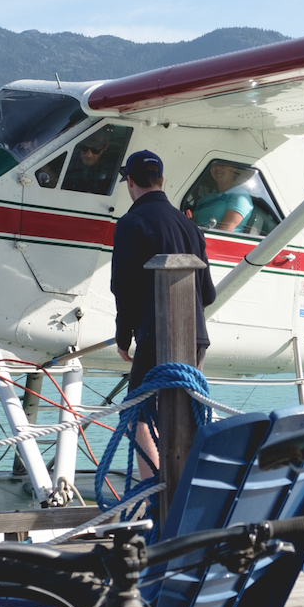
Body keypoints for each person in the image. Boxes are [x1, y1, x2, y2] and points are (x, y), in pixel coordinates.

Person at [110, 149, 216, 474]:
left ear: (130, 182)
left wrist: (123, 337)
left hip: (157, 336)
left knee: (137, 414)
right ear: (162, 180)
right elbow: (208, 294)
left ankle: (154, 494)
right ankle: (182, 489)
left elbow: (123, 288)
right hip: (195, 337)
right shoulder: (190, 227)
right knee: (185, 415)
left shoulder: (131, 223)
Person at [191, 160, 254, 232]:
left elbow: (224, 230)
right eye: (214, 164)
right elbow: (192, 222)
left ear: (234, 167)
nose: (217, 167)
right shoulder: (207, 198)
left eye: (223, 164)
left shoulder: (241, 197)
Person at [61, 124, 124, 194]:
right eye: (84, 148)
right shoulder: (68, 158)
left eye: (95, 150)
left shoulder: (115, 167)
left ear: (106, 147)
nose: (88, 155)